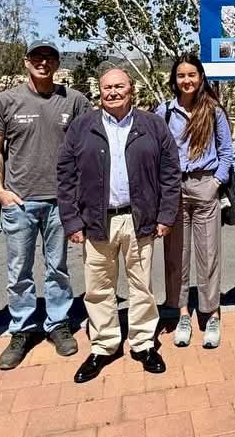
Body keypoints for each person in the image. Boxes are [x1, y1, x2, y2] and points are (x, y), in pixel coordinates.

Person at [57, 68, 180, 382]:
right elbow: (66, 175)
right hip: (97, 222)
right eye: (107, 87)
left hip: (139, 220)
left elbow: (170, 173)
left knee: (142, 288)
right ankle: (104, 345)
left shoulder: (152, 125)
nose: (113, 92)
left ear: (131, 89)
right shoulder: (81, 127)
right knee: (98, 289)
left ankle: (143, 344)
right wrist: (71, 220)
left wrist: (166, 216)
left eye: (119, 86)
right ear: (100, 91)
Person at [0, 39, 90, 370]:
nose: (43, 62)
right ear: (26, 61)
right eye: (37, 57)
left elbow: (86, 149)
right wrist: (0, 190)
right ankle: (21, 329)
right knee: (19, 271)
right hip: (19, 201)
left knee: (58, 267)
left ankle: (58, 324)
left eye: (49, 57)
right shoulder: (5, 101)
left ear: (57, 63)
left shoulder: (74, 101)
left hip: (62, 202)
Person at [156, 54, 233, 349]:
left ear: (200, 77)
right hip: (174, 189)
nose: (186, 80)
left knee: (208, 254)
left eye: (191, 74)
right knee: (176, 255)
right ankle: (182, 313)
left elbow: (227, 152)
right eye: (181, 75)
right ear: (174, 79)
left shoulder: (214, 111)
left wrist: (215, 183)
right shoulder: (165, 111)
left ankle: (211, 313)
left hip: (204, 185)